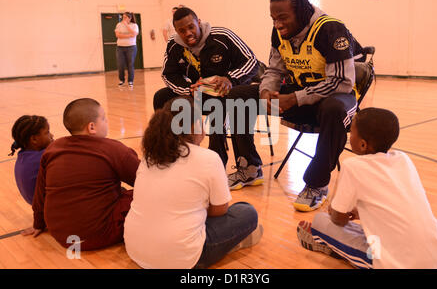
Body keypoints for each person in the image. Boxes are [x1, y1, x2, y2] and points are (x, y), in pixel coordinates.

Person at [226, 0, 364, 210]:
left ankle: (317, 185)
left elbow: (342, 82)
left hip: (336, 98)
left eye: (282, 17)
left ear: (301, 11)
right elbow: (274, 70)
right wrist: (265, 92)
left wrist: (295, 98)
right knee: (239, 95)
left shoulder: (330, 29)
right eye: (273, 19)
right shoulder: (279, 33)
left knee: (334, 110)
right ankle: (249, 167)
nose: (277, 24)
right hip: (299, 96)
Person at [297, 108, 437, 269]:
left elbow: (337, 219)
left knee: (321, 221)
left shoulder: (353, 166)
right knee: (372, 231)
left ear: (363, 144)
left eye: (352, 132)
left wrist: (337, 211)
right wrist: (360, 211)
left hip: (399, 264)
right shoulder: (403, 159)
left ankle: (335, 248)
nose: (350, 136)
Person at [124, 97, 262, 269]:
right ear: (192, 127)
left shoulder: (149, 158)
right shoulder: (209, 158)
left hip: (135, 248)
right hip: (182, 257)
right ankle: (228, 246)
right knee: (246, 211)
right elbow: (221, 209)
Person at [25, 98, 140, 251]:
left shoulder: (53, 149)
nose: (106, 122)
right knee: (141, 195)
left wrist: (38, 224)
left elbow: (40, 194)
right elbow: (146, 182)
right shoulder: (114, 149)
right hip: (98, 235)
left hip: (60, 234)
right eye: (104, 118)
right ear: (91, 127)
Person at [153, 7, 260, 168]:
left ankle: (215, 161)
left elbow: (252, 61)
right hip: (199, 91)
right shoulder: (174, 45)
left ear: (199, 23)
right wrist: (189, 89)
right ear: (176, 31)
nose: (188, 33)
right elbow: (168, 75)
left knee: (217, 105)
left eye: (191, 27)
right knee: (161, 97)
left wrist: (230, 78)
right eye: (182, 30)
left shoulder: (222, 36)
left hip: (227, 92)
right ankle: (171, 151)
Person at [9, 115, 54, 205]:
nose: (52, 135)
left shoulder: (23, 154)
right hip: (47, 208)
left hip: (36, 204)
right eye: (47, 132)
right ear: (34, 139)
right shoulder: (44, 157)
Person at [115, 11, 139, 88]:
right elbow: (118, 35)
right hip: (120, 47)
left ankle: (130, 81)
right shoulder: (119, 25)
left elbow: (134, 34)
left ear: (130, 18)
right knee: (120, 65)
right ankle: (121, 80)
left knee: (130, 64)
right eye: (123, 17)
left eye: (125, 17)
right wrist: (129, 35)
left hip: (131, 47)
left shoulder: (134, 25)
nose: (123, 19)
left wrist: (126, 26)